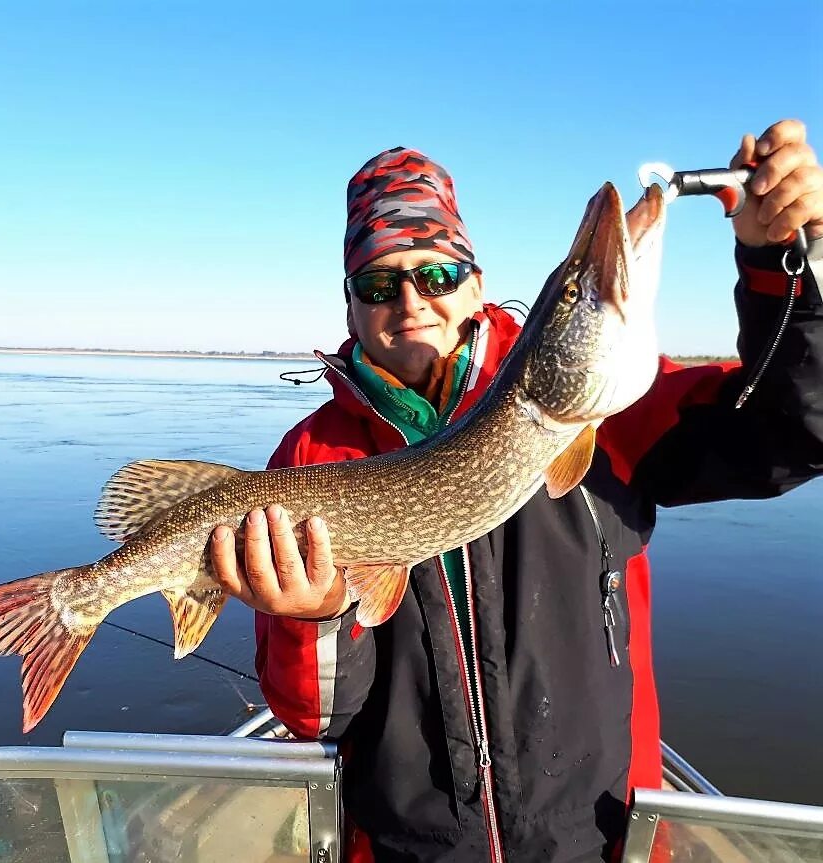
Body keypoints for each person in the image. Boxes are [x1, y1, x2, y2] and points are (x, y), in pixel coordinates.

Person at [211, 120, 823, 862]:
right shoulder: (309, 458)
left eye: (435, 274)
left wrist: (784, 262)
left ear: (475, 283)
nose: (410, 300)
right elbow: (319, 716)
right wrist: (311, 619)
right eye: (378, 283)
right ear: (351, 309)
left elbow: (797, 430)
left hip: (595, 839)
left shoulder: (618, 414)